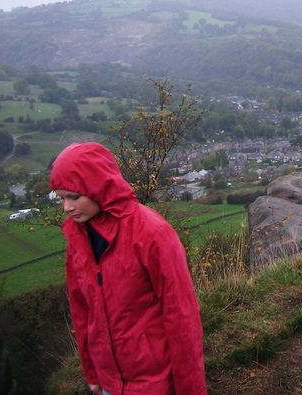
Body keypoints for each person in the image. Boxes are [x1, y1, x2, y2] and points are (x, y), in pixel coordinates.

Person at [50, 142, 207, 394]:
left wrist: (191, 389)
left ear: (98, 187)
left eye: (74, 196)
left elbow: (181, 316)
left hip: (154, 382)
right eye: (61, 198)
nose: (67, 208)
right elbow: (82, 311)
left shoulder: (151, 233)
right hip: (109, 382)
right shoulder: (77, 238)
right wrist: (92, 371)